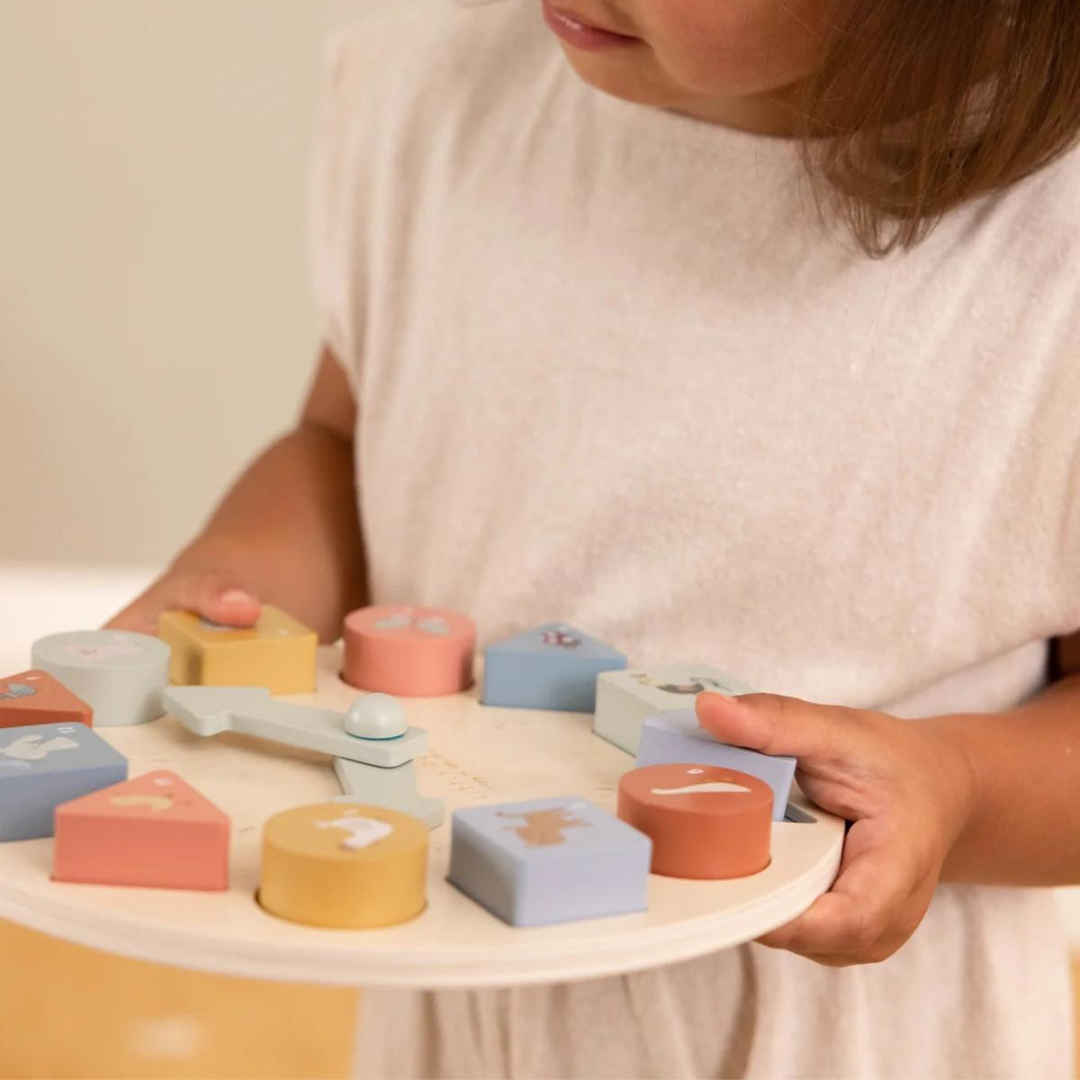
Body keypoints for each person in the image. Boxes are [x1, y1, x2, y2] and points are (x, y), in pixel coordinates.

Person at [109, 0, 1080, 1075]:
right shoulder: (449, 98)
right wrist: (242, 577)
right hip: (465, 974)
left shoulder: (1051, 261)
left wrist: (963, 790)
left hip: (850, 1029)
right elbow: (342, 442)